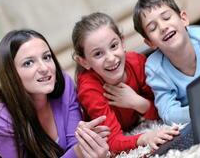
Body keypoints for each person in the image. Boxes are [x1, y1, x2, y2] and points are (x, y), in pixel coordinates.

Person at [0, 29, 110, 158]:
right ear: (11, 74)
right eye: (28, 63)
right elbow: (77, 151)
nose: (44, 68)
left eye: (46, 57)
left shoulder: (64, 83)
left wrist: (88, 143)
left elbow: (75, 143)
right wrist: (80, 151)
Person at [72, 12, 179, 153]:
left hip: (134, 122)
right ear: (84, 61)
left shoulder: (137, 62)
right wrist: (145, 138)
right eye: (98, 54)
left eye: (114, 46)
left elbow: (165, 110)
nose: (110, 58)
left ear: (122, 42)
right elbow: (112, 142)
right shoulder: (89, 88)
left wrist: (137, 102)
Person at [132, 0, 200, 125]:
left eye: (166, 18)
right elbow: (167, 113)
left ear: (183, 19)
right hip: (192, 110)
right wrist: (199, 110)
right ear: (150, 43)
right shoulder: (154, 68)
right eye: (153, 28)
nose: (163, 27)